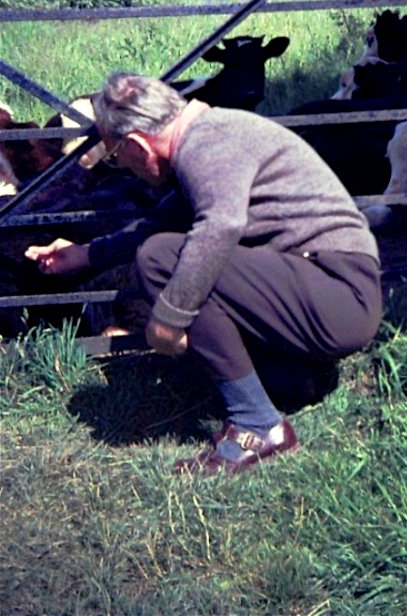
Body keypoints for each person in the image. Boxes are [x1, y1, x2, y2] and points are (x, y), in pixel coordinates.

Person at [25, 71, 383, 477]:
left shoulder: (209, 144)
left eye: (114, 156)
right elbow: (158, 223)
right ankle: (295, 376)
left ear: (137, 145)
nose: (120, 166)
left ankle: (257, 425)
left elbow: (220, 225)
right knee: (168, 249)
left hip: (337, 294)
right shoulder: (210, 137)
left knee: (160, 259)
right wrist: (85, 255)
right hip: (324, 290)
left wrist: (168, 318)